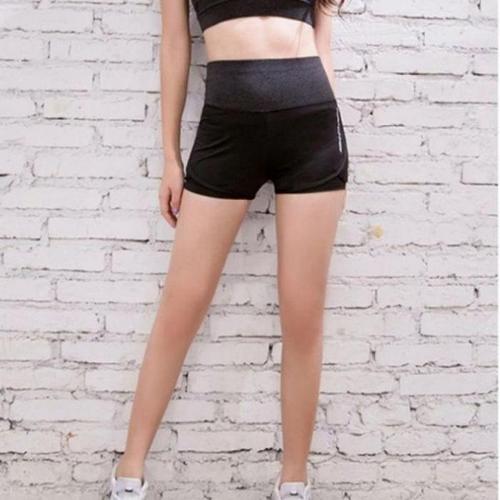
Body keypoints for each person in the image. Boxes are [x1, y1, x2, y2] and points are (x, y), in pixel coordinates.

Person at [109, 0, 348, 498]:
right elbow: (175, 43)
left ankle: (294, 483)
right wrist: (171, 157)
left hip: (312, 126)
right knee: (182, 303)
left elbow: (322, 40)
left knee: (302, 315)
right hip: (227, 128)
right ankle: (128, 474)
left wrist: (331, 132)